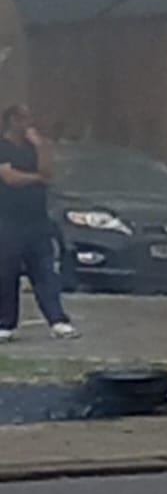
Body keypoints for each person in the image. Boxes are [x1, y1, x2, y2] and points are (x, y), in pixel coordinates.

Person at [0, 105, 77, 342]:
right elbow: (9, 178)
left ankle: (58, 320)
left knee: (44, 270)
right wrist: (36, 178)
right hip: (8, 220)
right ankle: (5, 323)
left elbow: (48, 171)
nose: (29, 123)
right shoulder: (3, 147)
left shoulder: (34, 148)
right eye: (24, 119)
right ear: (12, 120)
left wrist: (42, 145)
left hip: (37, 220)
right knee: (6, 272)